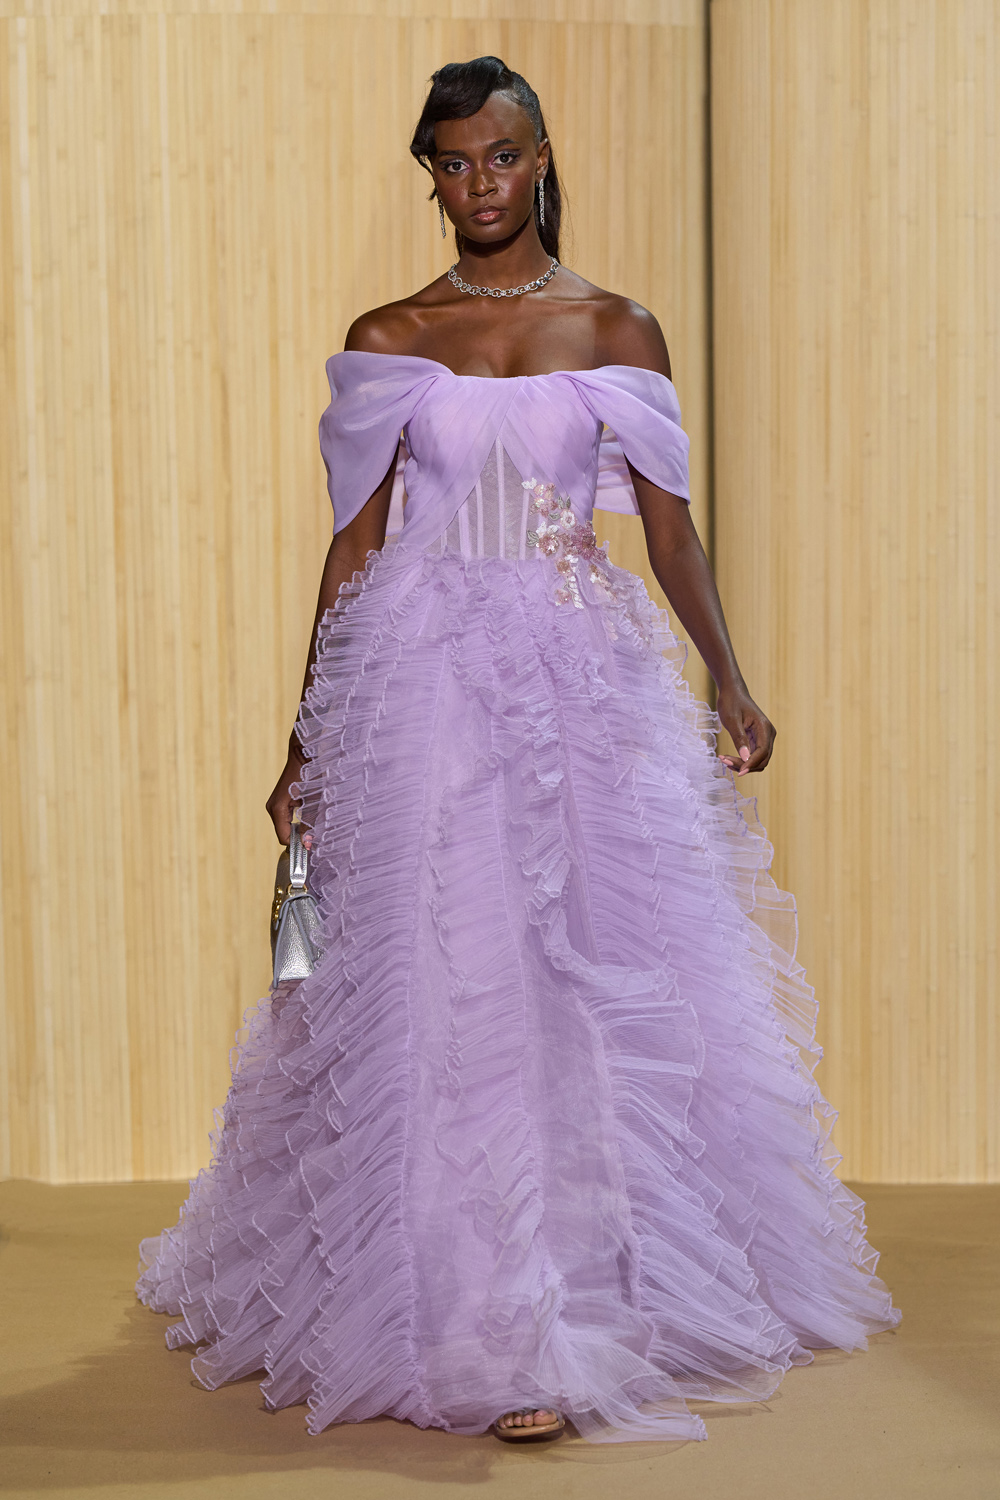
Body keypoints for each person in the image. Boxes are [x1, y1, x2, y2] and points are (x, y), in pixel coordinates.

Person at [137, 56, 900, 1445]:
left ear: (542, 159)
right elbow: (355, 546)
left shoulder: (616, 326)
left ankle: (573, 1307)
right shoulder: (390, 334)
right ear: (428, 173)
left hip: (575, 685)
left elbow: (666, 529)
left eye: (501, 155)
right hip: (417, 682)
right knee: (439, 979)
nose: (479, 182)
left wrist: (731, 680)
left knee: (590, 978)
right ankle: (467, 1311)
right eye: (453, 160)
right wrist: (304, 740)